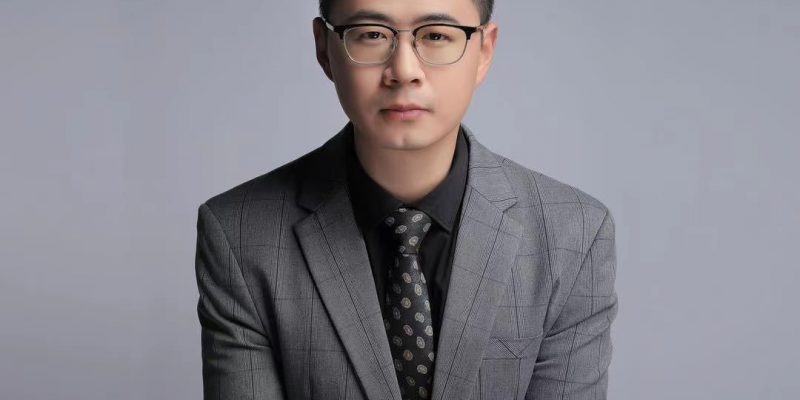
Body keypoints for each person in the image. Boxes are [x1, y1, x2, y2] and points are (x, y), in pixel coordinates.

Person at [194, 0, 618, 399]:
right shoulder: (240, 234)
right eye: (371, 34)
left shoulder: (573, 233)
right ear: (324, 49)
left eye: (436, 35)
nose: (403, 71)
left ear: (484, 50)